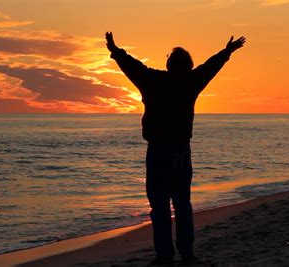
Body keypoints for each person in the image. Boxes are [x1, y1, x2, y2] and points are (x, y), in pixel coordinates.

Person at [105, 32, 245, 265]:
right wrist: (227, 51)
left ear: (169, 64)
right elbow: (210, 67)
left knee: (160, 206)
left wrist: (115, 49)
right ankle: (186, 254)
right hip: (180, 151)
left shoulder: (153, 80)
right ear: (188, 66)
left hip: (159, 151)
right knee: (181, 205)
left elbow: (131, 66)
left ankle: (165, 256)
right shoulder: (190, 81)